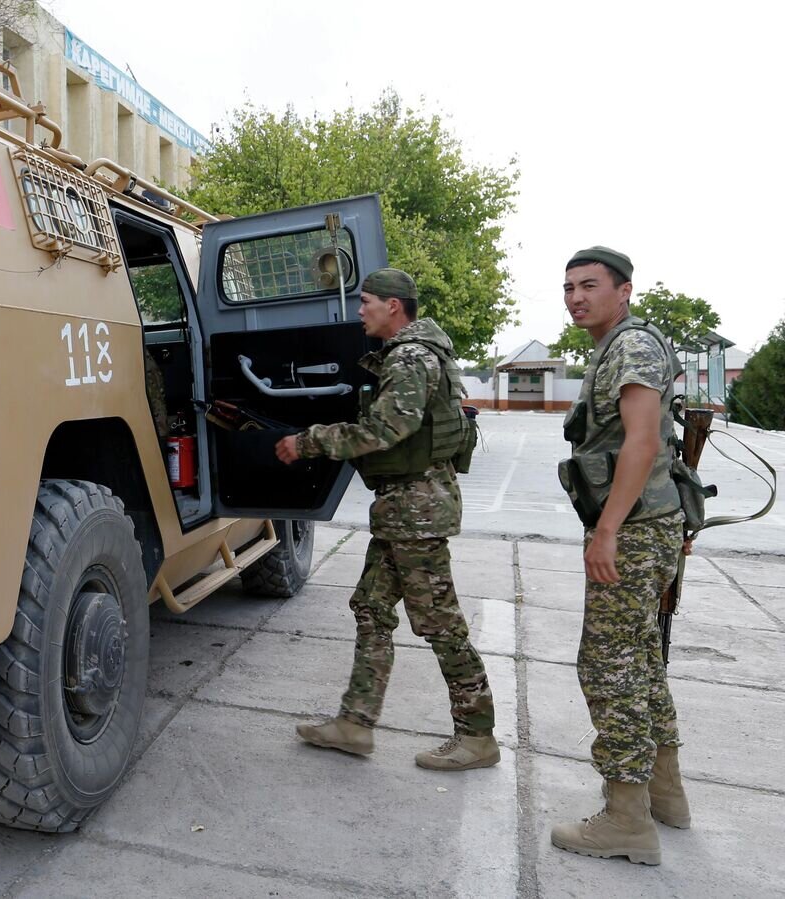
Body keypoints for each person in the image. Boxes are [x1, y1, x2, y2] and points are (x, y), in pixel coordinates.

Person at [275, 267, 498, 771]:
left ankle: (478, 735)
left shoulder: (411, 357)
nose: (360, 311)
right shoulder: (414, 353)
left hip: (417, 512)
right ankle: (355, 724)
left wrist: (308, 441)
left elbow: (386, 428)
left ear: (393, 306)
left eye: (366, 302)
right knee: (371, 607)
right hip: (403, 509)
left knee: (440, 624)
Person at [551, 246, 690, 867]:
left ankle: (626, 818)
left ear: (624, 290)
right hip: (649, 525)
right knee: (640, 660)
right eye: (569, 287)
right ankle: (666, 795)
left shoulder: (631, 348)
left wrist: (606, 531)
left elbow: (639, 441)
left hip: (631, 531)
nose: (577, 297)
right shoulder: (617, 345)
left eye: (590, 286)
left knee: (608, 666)